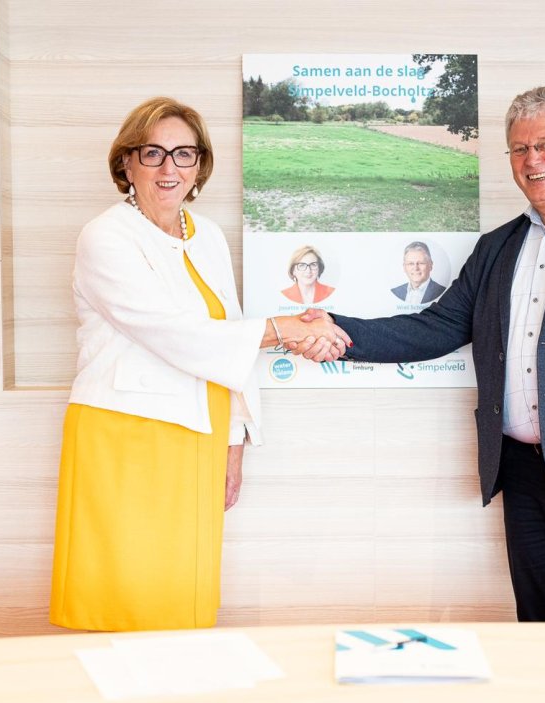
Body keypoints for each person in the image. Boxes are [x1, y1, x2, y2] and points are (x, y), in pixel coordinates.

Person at [297, 86, 545, 623]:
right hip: (523, 478)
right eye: (518, 149)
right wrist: (336, 329)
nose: (532, 160)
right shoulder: (497, 248)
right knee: (538, 631)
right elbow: (436, 327)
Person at [49, 97, 348, 632]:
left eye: (184, 154)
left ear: (200, 165)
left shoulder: (205, 235)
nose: (170, 169)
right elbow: (175, 334)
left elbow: (223, 335)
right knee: (123, 598)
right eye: (153, 153)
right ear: (127, 163)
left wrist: (233, 446)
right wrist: (286, 328)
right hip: (126, 435)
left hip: (199, 434)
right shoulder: (105, 236)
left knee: (182, 593)